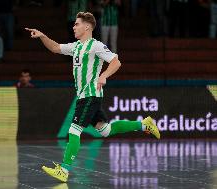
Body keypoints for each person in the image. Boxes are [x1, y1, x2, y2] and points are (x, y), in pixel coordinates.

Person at [25, 12, 160, 183]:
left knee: (74, 130)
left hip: (90, 95)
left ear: (87, 26)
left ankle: (64, 170)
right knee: (105, 130)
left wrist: (104, 76)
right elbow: (55, 48)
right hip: (85, 96)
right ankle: (143, 124)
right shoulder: (76, 47)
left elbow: (116, 61)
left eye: (76, 24)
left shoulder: (96, 46)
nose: (73, 27)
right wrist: (42, 36)